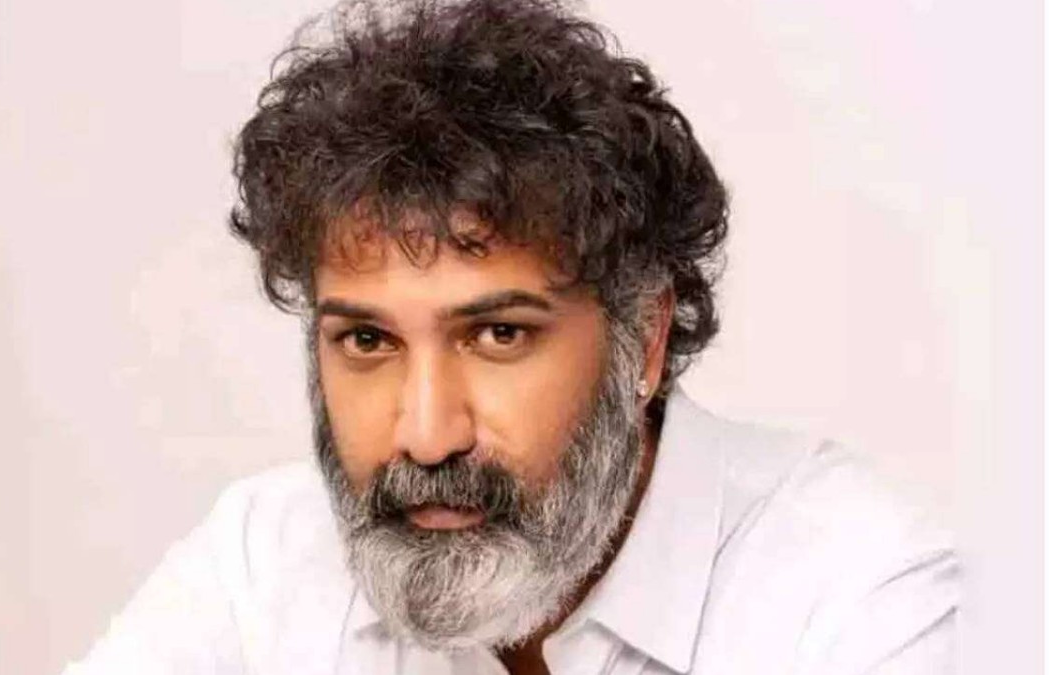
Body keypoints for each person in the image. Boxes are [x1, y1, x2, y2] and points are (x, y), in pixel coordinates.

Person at [63, 0, 958, 672]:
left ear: (645, 341)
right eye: (368, 342)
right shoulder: (262, 563)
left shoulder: (857, 595)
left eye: (497, 333)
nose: (427, 434)